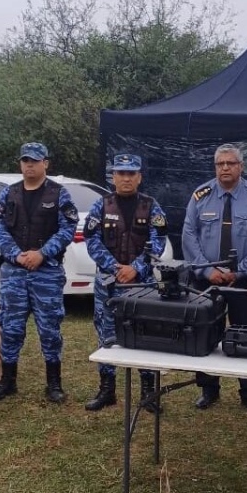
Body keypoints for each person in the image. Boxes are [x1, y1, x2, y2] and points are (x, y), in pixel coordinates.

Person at [0, 142, 79, 403]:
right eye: (25, 160)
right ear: (20, 163)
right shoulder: (9, 193)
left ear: (45, 163)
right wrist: (15, 254)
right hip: (14, 273)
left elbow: (67, 228)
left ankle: (54, 384)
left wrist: (42, 253)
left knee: (49, 329)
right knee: (10, 327)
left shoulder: (59, 194)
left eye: (35, 161)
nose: (29, 165)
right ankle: (7, 381)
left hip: (46, 273)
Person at [182, 143, 247, 413]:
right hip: (207, 281)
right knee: (206, 333)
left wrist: (241, 271)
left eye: (231, 163)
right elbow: (189, 236)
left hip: (244, 282)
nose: (225, 168)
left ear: (241, 166)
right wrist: (208, 271)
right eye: (220, 164)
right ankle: (208, 389)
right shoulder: (201, 196)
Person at [83, 153, 168, 413]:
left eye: (131, 173)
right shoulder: (101, 205)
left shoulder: (152, 206)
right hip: (109, 283)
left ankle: (148, 393)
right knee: (106, 336)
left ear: (139, 177)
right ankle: (107, 390)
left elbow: (158, 242)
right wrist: (114, 267)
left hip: (141, 285)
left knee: (145, 336)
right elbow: (91, 240)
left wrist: (136, 268)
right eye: (121, 173)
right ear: (113, 177)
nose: (126, 178)